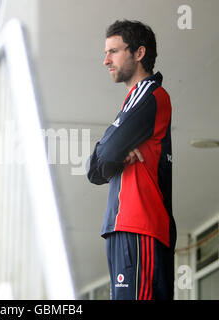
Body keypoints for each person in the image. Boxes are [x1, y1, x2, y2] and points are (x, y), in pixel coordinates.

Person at [86, 20, 177, 300]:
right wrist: (111, 153)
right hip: (127, 228)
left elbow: (107, 154)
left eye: (114, 51)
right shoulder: (133, 100)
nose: (106, 60)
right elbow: (94, 170)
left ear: (139, 53)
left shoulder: (149, 93)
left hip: (138, 227)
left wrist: (111, 153)